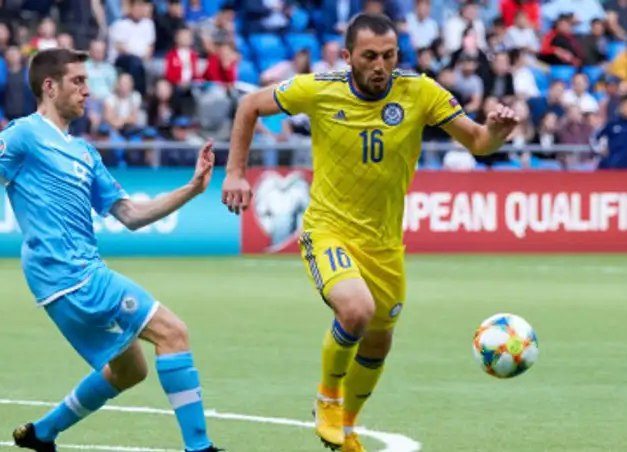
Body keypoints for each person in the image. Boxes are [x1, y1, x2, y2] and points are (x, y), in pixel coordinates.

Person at [0, 48, 225, 452]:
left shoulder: (85, 152)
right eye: (78, 81)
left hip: (64, 281)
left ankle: (43, 432)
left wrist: (191, 189)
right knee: (174, 332)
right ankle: (199, 448)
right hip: (72, 274)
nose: (88, 90)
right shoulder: (24, 134)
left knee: (130, 370)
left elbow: (131, 215)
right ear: (50, 87)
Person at [221, 12, 519, 452]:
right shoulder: (319, 89)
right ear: (348, 57)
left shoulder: (420, 92)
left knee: (379, 342)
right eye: (370, 56)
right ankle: (327, 399)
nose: (381, 65)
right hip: (328, 231)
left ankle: (347, 427)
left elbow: (477, 142)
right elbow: (249, 105)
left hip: (383, 244)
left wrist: (495, 132)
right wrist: (235, 173)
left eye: (389, 55)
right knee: (356, 311)